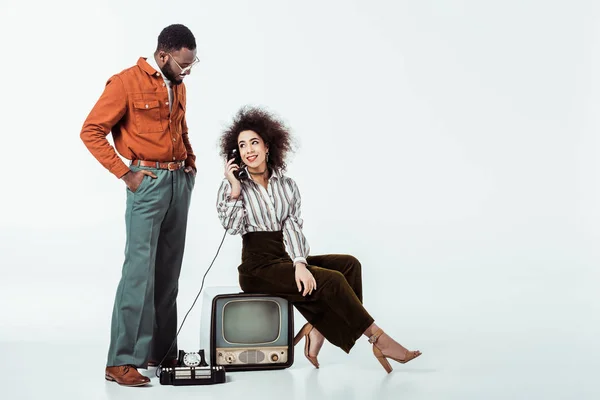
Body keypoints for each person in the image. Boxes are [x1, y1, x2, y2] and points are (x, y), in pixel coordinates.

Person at [215, 106, 422, 373]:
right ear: (236, 153)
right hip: (257, 268)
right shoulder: (234, 185)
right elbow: (231, 227)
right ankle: (378, 339)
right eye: (242, 145)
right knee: (332, 280)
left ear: (268, 146)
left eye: (254, 142)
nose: (248, 150)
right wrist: (233, 187)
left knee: (348, 265)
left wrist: (299, 262)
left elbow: (292, 226)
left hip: (284, 257)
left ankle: (318, 327)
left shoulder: (286, 185)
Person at [80, 24, 199, 386]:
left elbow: (180, 126)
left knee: (168, 274)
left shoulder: (177, 84)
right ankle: (121, 360)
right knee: (138, 273)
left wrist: (190, 160)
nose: (187, 72)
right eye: (183, 65)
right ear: (163, 56)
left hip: (180, 182)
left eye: (192, 65)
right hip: (146, 183)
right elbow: (91, 131)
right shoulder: (124, 83)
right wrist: (125, 173)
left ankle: (159, 353)